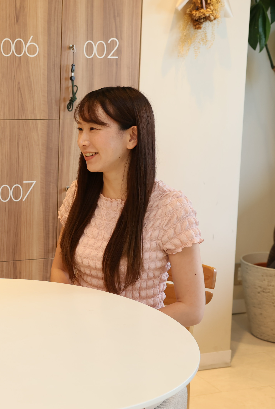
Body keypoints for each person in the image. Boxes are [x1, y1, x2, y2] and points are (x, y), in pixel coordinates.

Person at [51, 87, 204, 409]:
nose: (82, 141)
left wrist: (121, 331)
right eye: (80, 129)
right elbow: (60, 269)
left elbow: (192, 307)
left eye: (94, 128)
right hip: (81, 348)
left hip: (142, 353)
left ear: (132, 136)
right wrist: (72, 324)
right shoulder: (79, 194)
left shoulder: (170, 208)